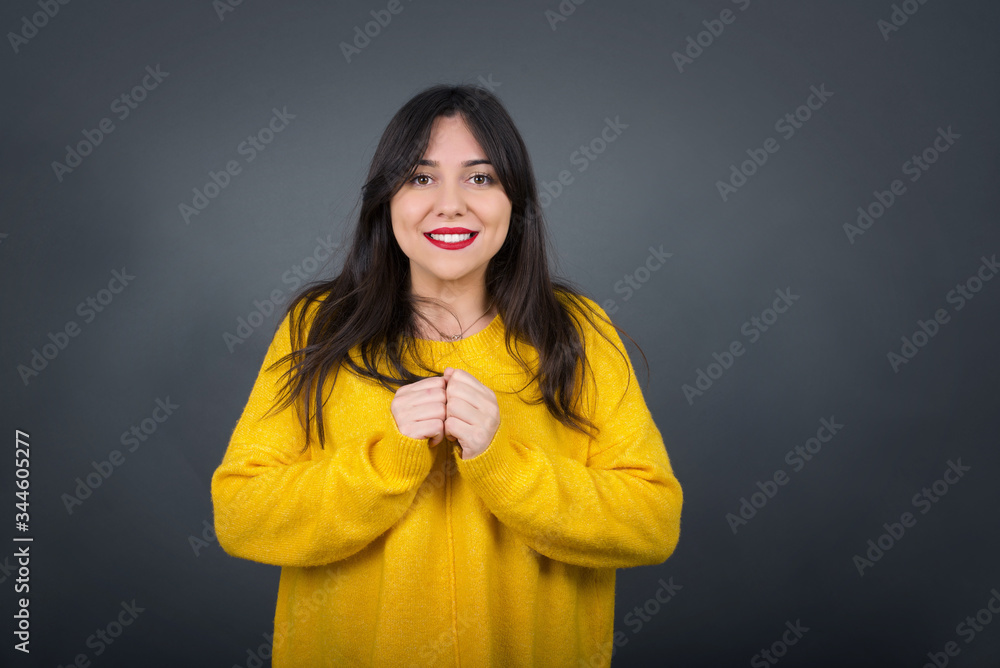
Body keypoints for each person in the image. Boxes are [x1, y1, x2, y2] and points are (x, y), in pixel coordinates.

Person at [210, 83, 683, 667]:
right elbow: (241, 514)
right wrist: (385, 461)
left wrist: (503, 463)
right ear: (387, 199)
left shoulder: (576, 333)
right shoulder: (319, 329)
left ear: (516, 200)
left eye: (481, 178)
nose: (452, 203)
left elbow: (652, 523)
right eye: (421, 177)